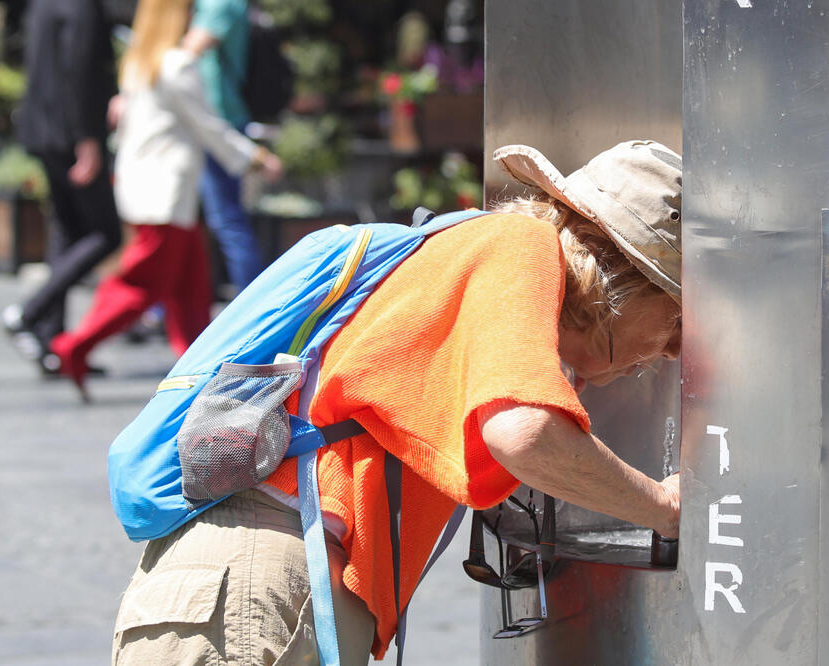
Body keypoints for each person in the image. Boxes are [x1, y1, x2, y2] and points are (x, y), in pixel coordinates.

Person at [111, 140, 683, 665]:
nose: (679, 345)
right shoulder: (521, 244)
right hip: (257, 585)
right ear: (623, 276)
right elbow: (524, 434)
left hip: (252, 588)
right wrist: (665, 506)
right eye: (677, 313)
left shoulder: (466, 262)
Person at [47, 0, 282, 398]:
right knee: (139, 287)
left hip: (153, 192)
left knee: (192, 293)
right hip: (166, 196)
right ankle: (73, 346)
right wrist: (255, 157)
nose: (193, 16)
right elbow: (208, 126)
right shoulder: (175, 65)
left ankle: (199, 373)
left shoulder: (140, 64)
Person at [1, 0, 121, 373]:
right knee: (106, 233)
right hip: (71, 134)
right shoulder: (79, 5)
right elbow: (78, 67)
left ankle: (51, 343)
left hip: (43, 130)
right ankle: (29, 312)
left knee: (67, 230)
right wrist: (86, 138)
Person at [180, 0, 265, 292]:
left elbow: (187, 53)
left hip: (218, 123)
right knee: (187, 220)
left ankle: (255, 303)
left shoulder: (221, 3)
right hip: (204, 121)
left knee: (226, 221)